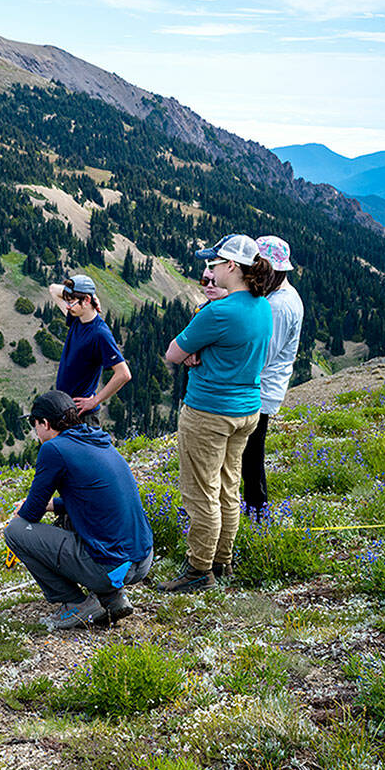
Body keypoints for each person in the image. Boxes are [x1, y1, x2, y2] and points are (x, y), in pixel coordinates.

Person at [159, 235, 272, 593]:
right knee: (228, 485)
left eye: (215, 264)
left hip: (208, 410)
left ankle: (198, 570)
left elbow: (173, 353)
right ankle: (222, 561)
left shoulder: (218, 312)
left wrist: (197, 354)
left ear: (232, 267)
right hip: (246, 410)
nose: (210, 270)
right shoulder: (263, 306)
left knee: (200, 491)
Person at [3, 391, 154, 629]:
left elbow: (30, 515)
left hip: (110, 567)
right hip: (142, 559)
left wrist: (24, 511)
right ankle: (112, 597)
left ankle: (75, 604)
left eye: (35, 424)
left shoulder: (53, 449)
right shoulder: (96, 437)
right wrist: (53, 505)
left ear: (45, 423)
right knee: (71, 519)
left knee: (15, 531)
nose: (35, 431)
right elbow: (91, 501)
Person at [241, 236, 304, 522]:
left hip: (261, 390)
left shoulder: (279, 306)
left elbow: (262, 354)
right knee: (248, 454)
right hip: (262, 387)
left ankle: (257, 512)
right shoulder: (280, 297)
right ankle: (254, 510)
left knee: (250, 456)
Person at [48, 274, 132, 424]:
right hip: (65, 408)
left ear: (85, 301)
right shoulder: (76, 318)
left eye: (72, 302)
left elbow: (124, 374)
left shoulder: (100, 334)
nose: (67, 306)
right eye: (67, 301)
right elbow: (53, 289)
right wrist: (92, 297)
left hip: (83, 414)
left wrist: (95, 401)